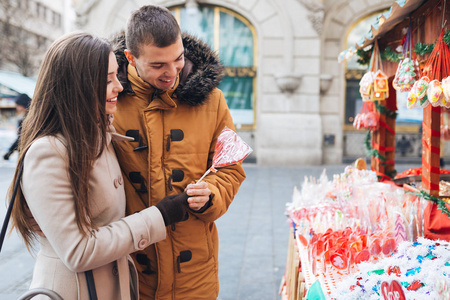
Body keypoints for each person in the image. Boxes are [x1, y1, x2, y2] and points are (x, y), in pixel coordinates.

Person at [8, 32, 193, 300]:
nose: (119, 87)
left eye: (117, 76)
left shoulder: (99, 136)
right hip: (74, 291)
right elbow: (78, 251)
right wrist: (159, 216)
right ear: (76, 86)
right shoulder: (48, 152)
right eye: (108, 80)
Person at [111, 5, 246, 299]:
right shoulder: (109, 99)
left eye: (178, 58)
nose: (172, 72)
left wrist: (212, 193)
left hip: (195, 276)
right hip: (130, 273)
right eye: (158, 65)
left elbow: (231, 168)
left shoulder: (213, 100)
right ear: (131, 58)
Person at [3, 93, 31, 160]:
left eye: (18, 105)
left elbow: (20, 139)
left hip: (25, 154)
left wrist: (9, 153)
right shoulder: (30, 118)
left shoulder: (26, 120)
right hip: (28, 153)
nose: (17, 108)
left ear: (23, 105)